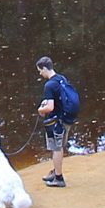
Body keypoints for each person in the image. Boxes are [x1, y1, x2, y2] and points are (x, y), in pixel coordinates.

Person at [36, 56, 71, 187]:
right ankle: (56, 171)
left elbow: (50, 107)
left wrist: (41, 109)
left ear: (45, 69)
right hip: (66, 118)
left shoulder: (49, 85)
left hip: (57, 122)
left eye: (40, 70)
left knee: (56, 148)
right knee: (59, 146)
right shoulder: (61, 79)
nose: (40, 73)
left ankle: (59, 178)